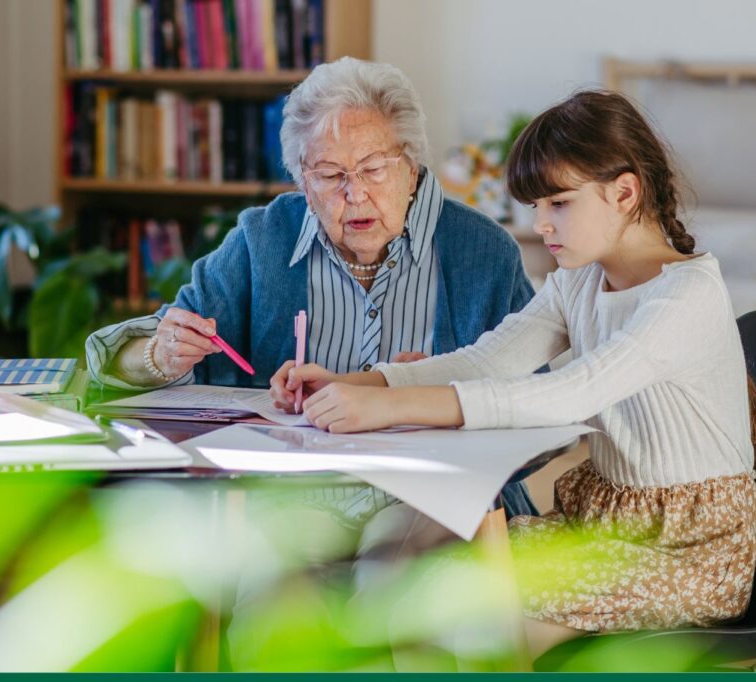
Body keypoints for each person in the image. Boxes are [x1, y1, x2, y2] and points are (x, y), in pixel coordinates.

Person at [271, 90, 756, 658]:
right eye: (536, 207)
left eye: (557, 203)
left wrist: (390, 408)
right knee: (414, 575)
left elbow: (569, 392)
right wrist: (353, 384)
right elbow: (487, 359)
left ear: (624, 192)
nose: (540, 225)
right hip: (605, 530)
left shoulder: (687, 295)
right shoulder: (579, 279)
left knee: (450, 622)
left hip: (688, 554)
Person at [86, 56, 538, 520]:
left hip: (433, 497)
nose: (354, 193)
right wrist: (160, 356)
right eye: (329, 175)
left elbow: (539, 400)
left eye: (373, 168)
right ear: (302, 179)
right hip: (289, 502)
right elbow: (118, 364)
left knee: (399, 577)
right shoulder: (262, 241)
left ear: (410, 165)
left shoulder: (484, 253)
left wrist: (442, 392)